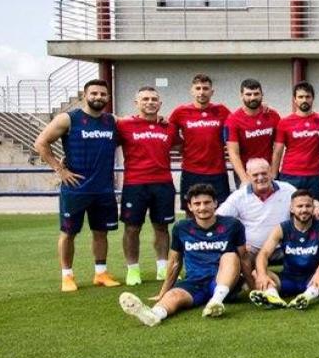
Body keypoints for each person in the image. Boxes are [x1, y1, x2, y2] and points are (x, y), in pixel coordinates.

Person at [34, 78, 121, 291]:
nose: (98, 97)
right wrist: (60, 170)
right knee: (68, 232)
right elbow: (41, 143)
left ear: (108, 98)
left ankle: (100, 273)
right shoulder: (68, 119)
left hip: (103, 189)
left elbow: (137, 124)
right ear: (85, 95)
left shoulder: (112, 121)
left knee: (101, 232)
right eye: (94, 94)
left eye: (102, 94)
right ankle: (67, 276)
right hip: (76, 189)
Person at [118, 184, 242, 325]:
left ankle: (216, 301)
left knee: (230, 256)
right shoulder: (181, 227)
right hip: (195, 282)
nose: (202, 207)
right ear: (190, 206)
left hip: (222, 282)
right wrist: (163, 292)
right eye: (197, 204)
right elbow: (175, 262)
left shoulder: (232, 225)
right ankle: (153, 315)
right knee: (174, 295)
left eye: (207, 202)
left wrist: (253, 285)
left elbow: (243, 258)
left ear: (215, 203)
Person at [116, 86, 177, 285]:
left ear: (160, 104)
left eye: (153, 99)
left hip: (163, 184)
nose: (150, 102)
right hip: (135, 185)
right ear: (137, 103)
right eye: (145, 99)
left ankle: (162, 268)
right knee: (132, 228)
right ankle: (133, 270)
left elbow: (183, 144)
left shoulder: (168, 126)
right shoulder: (124, 125)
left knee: (162, 227)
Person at [249, 189, 319, 309]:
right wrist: (262, 274)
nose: (304, 210)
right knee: (257, 272)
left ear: (313, 208)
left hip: (313, 279)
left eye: (308, 206)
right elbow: (263, 253)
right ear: (291, 209)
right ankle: (274, 297)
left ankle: (306, 297)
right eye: (300, 206)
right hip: (288, 279)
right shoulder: (282, 228)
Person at [216, 158, 296, 288]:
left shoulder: (288, 189)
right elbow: (219, 220)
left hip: (285, 246)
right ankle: (251, 283)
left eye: (264, 173)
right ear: (248, 176)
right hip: (253, 250)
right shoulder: (239, 196)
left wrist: (316, 206)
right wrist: (237, 242)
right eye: (255, 175)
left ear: (271, 172)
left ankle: (307, 281)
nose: (261, 178)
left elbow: (304, 204)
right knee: (236, 255)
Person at [168, 73, 232, 209]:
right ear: (192, 91)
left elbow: (238, 124)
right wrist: (180, 145)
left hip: (217, 172)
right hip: (191, 172)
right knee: (191, 212)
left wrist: (261, 108)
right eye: (198, 88)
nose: (201, 92)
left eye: (205, 88)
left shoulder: (222, 111)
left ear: (212, 91)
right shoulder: (180, 112)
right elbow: (169, 134)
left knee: (221, 211)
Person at [271, 81, 319, 201]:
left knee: (314, 211)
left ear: (312, 98)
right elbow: (278, 151)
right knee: (288, 210)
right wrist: (274, 175)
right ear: (295, 99)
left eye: (307, 97)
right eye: (300, 97)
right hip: (290, 175)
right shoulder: (284, 122)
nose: (304, 100)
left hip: (314, 175)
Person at [224, 78, 280, 185]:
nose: (253, 97)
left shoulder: (273, 115)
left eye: (256, 94)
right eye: (248, 94)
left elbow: (278, 149)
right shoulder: (233, 120)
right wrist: (244, 178)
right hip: (247, 173)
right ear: (241, 96)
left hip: (267, 171)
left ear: (262, 95)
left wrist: (274, 172)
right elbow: (233, 153)